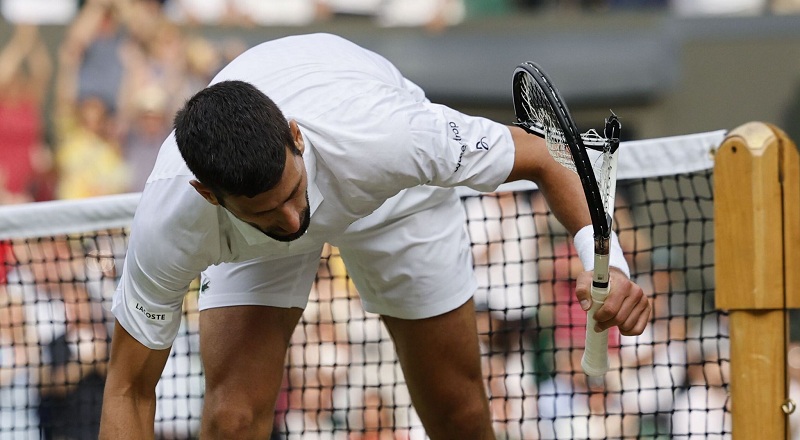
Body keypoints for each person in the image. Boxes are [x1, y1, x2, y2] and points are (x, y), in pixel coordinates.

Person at [99, 33, 650, 439]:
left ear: (295, 137)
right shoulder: (169, 223)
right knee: (232, 418)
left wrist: (606, 260)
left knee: (457, 412)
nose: (293, 222)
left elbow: (545, 157)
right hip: (248, 244)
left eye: (292, 194)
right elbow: (128, 389)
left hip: (394, 199)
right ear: (210, 195)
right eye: (267, 211)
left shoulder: (391, 133)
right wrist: (275, 212)